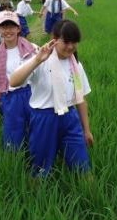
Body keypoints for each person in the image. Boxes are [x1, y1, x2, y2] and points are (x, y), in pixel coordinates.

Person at [9, 20, 93, 177]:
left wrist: (86, 130)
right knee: (40, 166)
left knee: (82, 165)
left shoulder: (76, 65)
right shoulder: (40, 60)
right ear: (54, 38)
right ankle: (36, 194)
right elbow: (13, 81)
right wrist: (37, 60)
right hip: (44, 118)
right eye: (66, 42)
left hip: (70, 117)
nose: (70, 47)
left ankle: (91, 194)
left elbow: (80, 99)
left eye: (74, 42)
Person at [0, 11, 38, 151]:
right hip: (11, 97)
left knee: (35, 125)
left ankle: (34, 153)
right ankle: (14, 156)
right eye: (4, 27)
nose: (8, 31)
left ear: (18, 28)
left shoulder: (32, 48)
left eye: (11, 26)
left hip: (32, 93)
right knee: (13, 128)